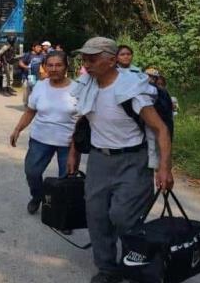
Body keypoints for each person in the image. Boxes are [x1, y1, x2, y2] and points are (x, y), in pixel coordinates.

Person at [67, 37, 173, 283]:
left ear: (112, 60)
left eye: (92, 59)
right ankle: (107, 269)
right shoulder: (87, 86)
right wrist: (73, 151)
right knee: (96, 216)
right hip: (99, 160)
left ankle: (137, 261)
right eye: (84, 59)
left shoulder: (131, 90)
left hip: (132, 161)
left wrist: (164, 168)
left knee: (123, 217)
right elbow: (82, 121)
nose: (86, 64)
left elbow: (161, 130)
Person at [10, 52, 77, 215]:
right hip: (40, 139)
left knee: (66, 180)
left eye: (58, 65)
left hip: (67, 143)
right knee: (32, 172)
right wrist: (18, 128)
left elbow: (82, 122)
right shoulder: (40, 86)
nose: (54, 69)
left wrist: (75, 151)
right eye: (50, 65)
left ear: (66, 67)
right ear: (44, 67)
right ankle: (37, 196)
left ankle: (63, 215)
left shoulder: (77, 89)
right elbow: (30, 111)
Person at [19, 42, 45, 106]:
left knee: (36, 91)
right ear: (33, 48)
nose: (39, 48)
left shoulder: (42, 55)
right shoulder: (28, 55)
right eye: (38, 47)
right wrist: (26, 67)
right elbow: (20, 62)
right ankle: (26, 104)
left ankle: (34, 105)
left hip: (38, 76)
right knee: (27, 91)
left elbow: (45, 64)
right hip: (28, 76)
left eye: (40, 47)